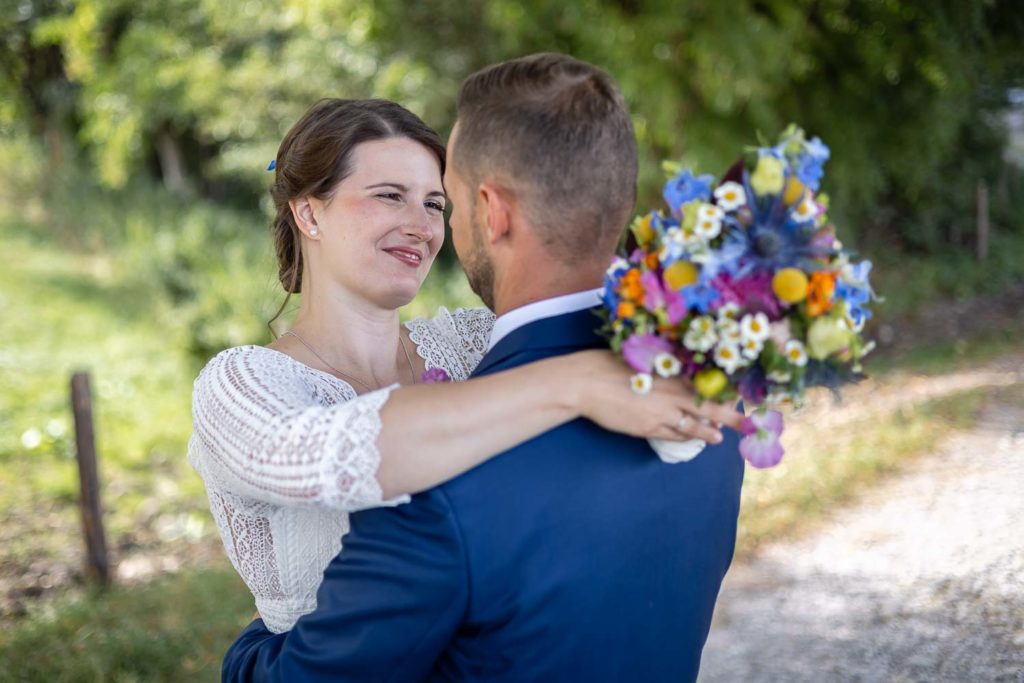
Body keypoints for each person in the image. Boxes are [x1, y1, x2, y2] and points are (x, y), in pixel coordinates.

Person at [221, 53, 746, 682]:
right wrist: (575, 383)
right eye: (389, 195)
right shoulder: (695, 378)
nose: (422, 225)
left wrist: (249, 659)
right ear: (308, 212)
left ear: (488, 211)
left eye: (438, 203)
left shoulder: (471, 359)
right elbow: (316, 451)